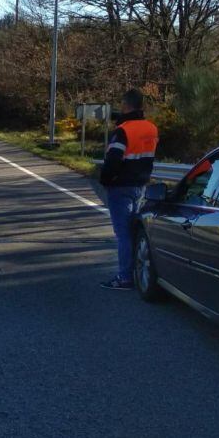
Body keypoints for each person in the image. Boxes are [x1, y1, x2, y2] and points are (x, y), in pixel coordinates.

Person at [99, 88, 159, 290]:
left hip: (120, 186)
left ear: (126, 105)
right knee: (134, 230)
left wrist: (105, 179)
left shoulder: (123, 130)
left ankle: (125, 277)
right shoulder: (151, 129)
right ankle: (136, 271)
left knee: (122, 233)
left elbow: (113, 160)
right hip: (140, 184)